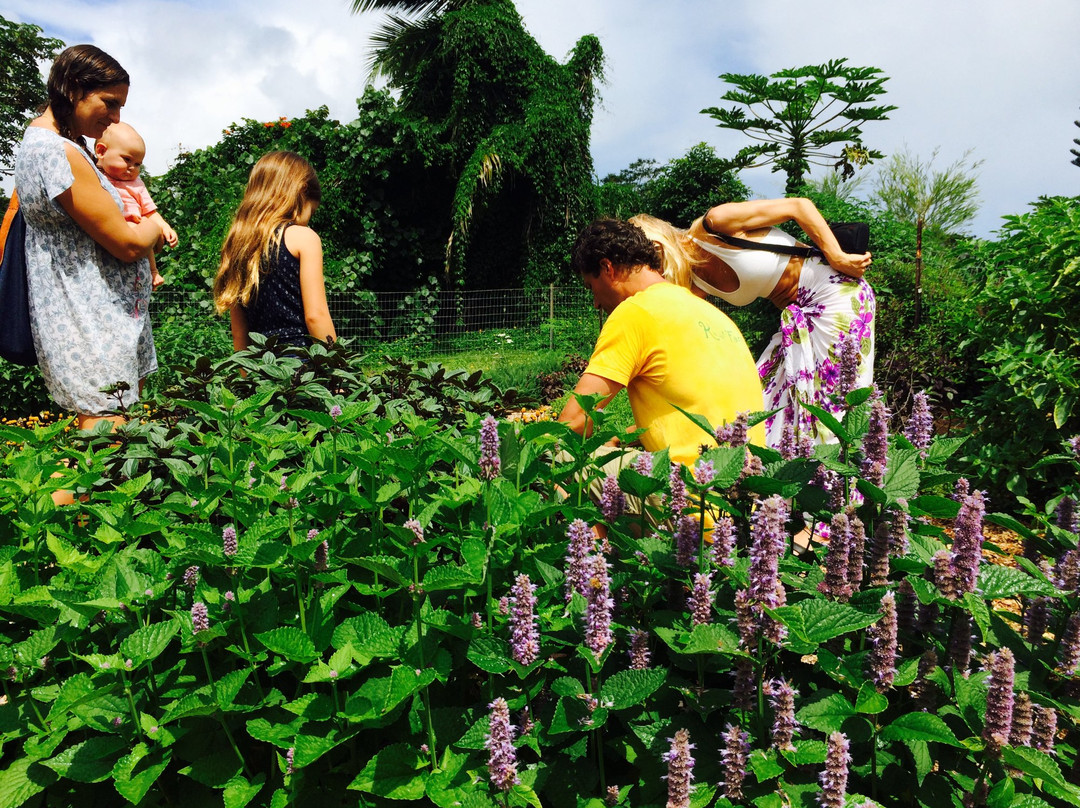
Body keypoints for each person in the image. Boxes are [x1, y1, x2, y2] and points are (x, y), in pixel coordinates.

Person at [631, 197, 875, 448]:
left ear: (659, 247)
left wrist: (837, 256)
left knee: (836, 406)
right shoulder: (692, 282)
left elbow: (799, 207)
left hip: (834, 293)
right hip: (796, 317)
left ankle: (846, 481)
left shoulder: (715, 224)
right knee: (762, 403)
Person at [13, 44, 163, 431]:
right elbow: (127, 244)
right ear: (75, 88)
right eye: (109, 103)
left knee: (113, 438)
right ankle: (45, 496)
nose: (114, 119)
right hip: (89, 318)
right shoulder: (58, 152)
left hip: (99, 316)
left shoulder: (48, 144)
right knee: (105, 442)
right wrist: (155, 227)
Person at [557, 218, 765, 475]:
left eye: (592, 288)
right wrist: (621, 437)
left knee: (552, 456)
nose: (596, 303)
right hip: (745, 498)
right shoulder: (715, 316)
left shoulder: (635, 312)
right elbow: (696, 412)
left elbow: (573, 422)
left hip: (689, 497)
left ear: (607, 267)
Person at [213, 151, 336, 352]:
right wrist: (336, 370)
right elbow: (316, 315)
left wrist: (246, 378)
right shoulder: (304, 238)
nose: (308, 220)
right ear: (302, 190)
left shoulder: (238, 246)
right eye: (311, 212)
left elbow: (239, 331)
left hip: (259, 369)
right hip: (302, 366)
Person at [95, 121, 178, 289]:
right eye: (127, 159)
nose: (132, 168)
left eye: (138, 164)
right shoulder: (94, 176)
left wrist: (165, 226)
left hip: (135, 230)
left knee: (143, 232)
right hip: (110, 231)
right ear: (101, 151)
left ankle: (153, 272)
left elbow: (150, 211)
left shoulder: (136, 184)